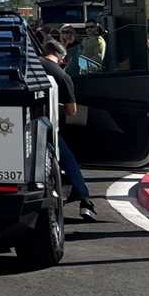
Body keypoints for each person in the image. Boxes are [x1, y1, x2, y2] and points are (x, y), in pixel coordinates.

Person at [40, 39, 97, 221]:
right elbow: (72, 111)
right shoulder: (62, 76)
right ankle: (84, 200)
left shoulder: (32, 66)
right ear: (62, 58)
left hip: (26, 124)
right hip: (49, 127)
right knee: (69, 161)